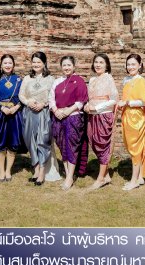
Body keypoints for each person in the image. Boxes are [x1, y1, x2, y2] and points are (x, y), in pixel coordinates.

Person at [118, 54, 145, 190]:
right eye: (128, 64)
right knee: (133, 147)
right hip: (127, 116)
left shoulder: (141, 81)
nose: (130, 67)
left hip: (136, 118)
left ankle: (134, 180)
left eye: (133, 64)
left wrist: (127, 103)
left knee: (136, 148)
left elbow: (144, 101)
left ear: (139, 65)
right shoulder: (127, 80)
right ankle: (140, 176)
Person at [20, 52, 60, 186]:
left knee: (43, 141)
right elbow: (21, 95)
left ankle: (42, 172)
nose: (36, 64)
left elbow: (54, 97)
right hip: (29, 113)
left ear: (44, 63)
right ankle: (36, 170)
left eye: (39, 62)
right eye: (34, 62)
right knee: (30, 141)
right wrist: (28, 102)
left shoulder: (50, 79)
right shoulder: (27, 78)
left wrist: (44, 104)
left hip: (43, 113)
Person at [50, 55, 89, 190]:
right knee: (62, 146)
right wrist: (56, 111)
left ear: (74, 66)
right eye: (64, 65)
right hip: (58, 117)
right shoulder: (57, 82)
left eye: (69, 65)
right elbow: (51, 99)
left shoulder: (79, 81)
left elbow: (81, 101)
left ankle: (70, 177)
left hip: (73, 117)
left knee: (71, 146)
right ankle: (68, 174)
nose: (66, 68)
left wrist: (67, 111)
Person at [0, 54, 24, 182]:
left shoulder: (19, 80)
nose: (7, 65)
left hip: (15, 115)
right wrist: (1, 107)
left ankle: (8, 171)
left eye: (10, 63)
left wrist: (17, 107)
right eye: (5, 63)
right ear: (1, 65)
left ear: (13, 65)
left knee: (13, 143)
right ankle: (2, 172)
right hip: (0, 115)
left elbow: (23, 97)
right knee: (0, 143)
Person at [86, 53, 119, 190]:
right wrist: (87, 105)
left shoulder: (108, 78)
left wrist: (97, 107)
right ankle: (106, 175)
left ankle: (100, 179)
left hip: (104, 115)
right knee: (94, 143)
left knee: (103, 145)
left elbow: (113, 100)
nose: (98, 65)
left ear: (106, 65)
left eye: (101, 62)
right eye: (96, 62)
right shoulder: (92, 79)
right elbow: (89, 97)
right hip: (92, 116)